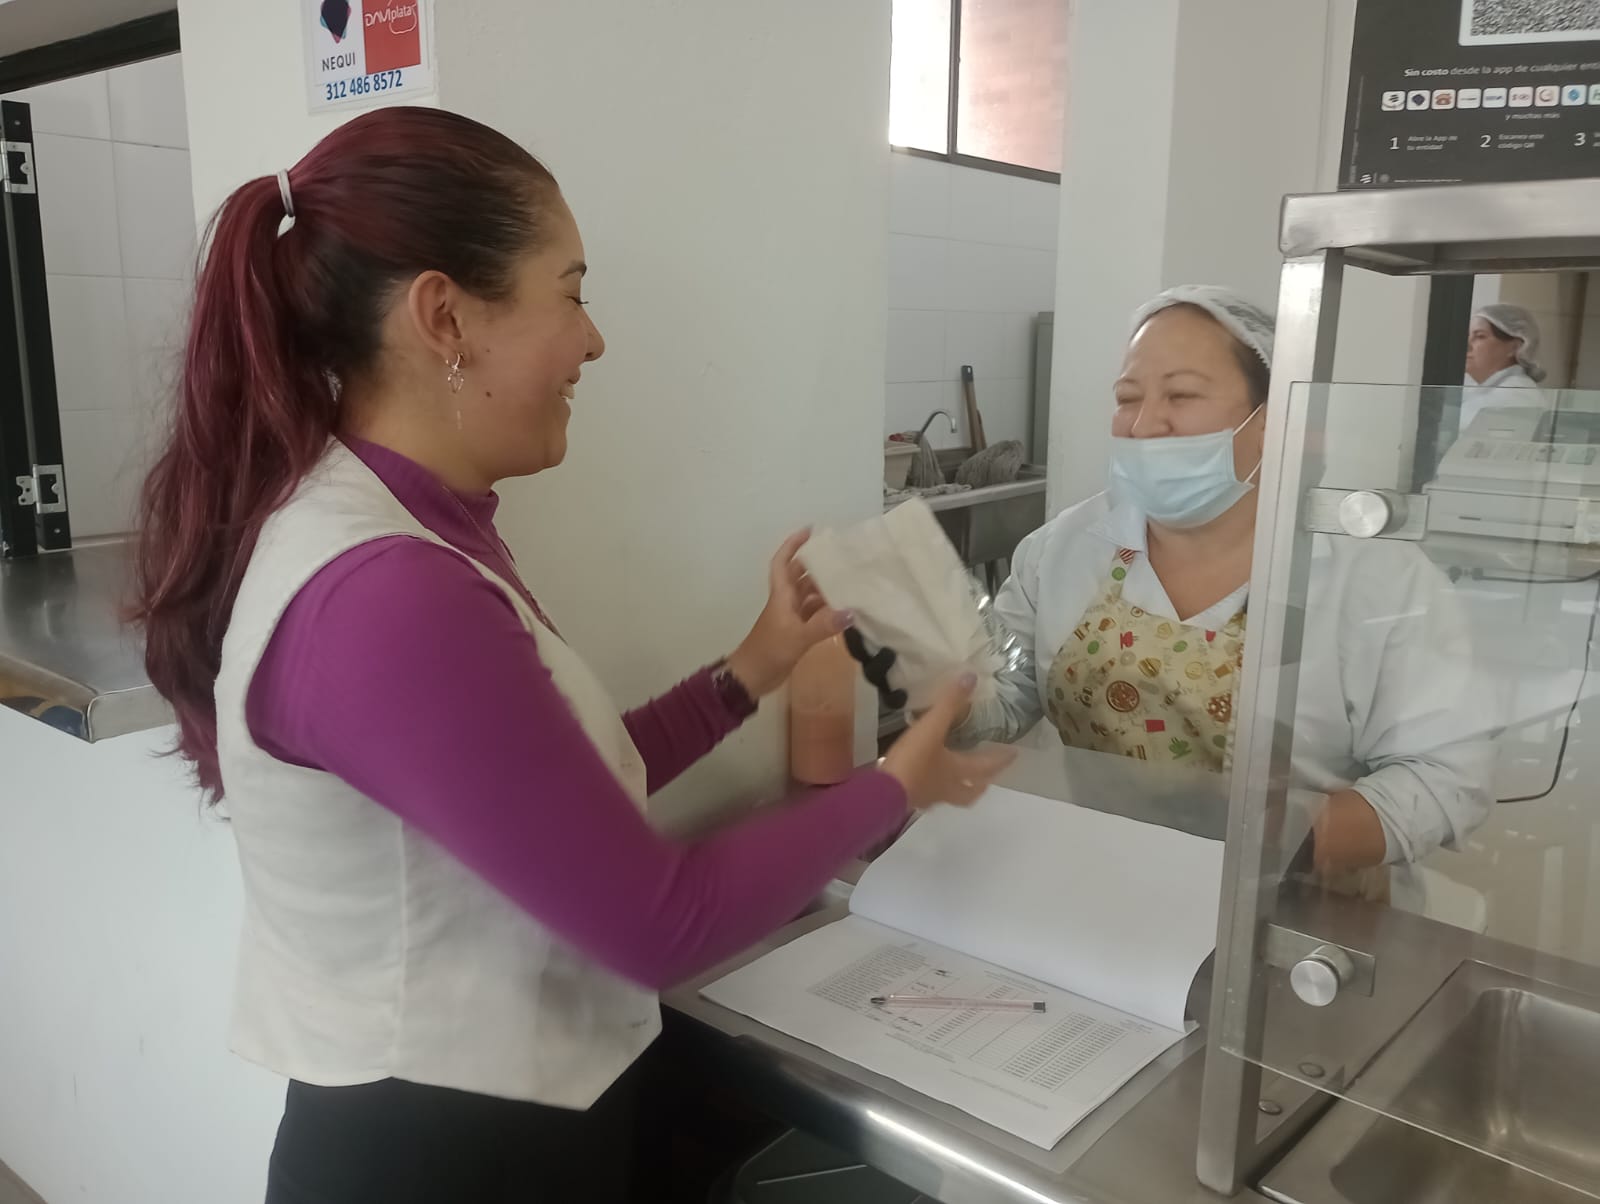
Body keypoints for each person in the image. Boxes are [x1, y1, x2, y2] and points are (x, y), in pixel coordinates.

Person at [129, 107, 1012, 1204]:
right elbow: (657, 919)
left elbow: (543, 788)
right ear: (444, 316)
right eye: (573, 290)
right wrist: (895, 785)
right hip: (442, 1157)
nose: (594, 340)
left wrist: (752, 667)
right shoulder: (381, 589)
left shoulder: (420, 527)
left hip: (497, 1120)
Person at [954, 285, 1496, 896]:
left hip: (1289, 913)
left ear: (1274, 421)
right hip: (1100, 884)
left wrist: (1292, 838)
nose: (1143, 422)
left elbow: (1448, 775)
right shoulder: (1066, 547)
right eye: (1127, 397)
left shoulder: (1375, 579)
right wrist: (937, 683)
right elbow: (1010, 696)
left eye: (1180, 395)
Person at [1462, 302, 1546, 430]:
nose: (1468, 345)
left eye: (1479, 336)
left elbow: (1457, 424)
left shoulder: (1519, 395)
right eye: (1469, 336)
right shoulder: (1477, 388)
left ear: (1515, 347)